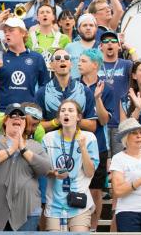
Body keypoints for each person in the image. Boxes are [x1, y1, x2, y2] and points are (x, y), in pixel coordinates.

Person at [0, 103, 51, 231]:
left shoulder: (35, 146)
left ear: (25, 123)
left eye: (21, 117)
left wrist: (23, 149)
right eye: (13, 115)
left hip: (26, 213)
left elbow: (45, 168)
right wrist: (10, 150)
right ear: (5, 121)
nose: (17, 118)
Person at [42, 99, 99, 232]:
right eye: (63, 111)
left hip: (79, 203)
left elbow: (90, 172)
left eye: (70, 110)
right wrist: (54, 173)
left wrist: (83, 148)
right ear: (59, 117)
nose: (66, 113)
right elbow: (42, 169)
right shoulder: (48, 138)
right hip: (54, 204)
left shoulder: (89, 138)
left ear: (79, 117)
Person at [78, 48, 115, 231]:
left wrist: (97, 98)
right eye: (79, 60)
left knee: (95, 190)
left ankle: (93, 228)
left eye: (83, 61)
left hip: (97, 145)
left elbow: (103, 120)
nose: (79, 63)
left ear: (95, 65)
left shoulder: (106, 88)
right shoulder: (73, 85)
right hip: (74, 143)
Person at [0, 17, 48, 112]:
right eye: (5, 31)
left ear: (23, 33)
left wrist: (37, 106)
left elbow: (45, 87)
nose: (7, 34)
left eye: (11, 30)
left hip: (29, 112)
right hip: (4, 112)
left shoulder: (36, 58)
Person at [37, 48, 98, 133]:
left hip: (78, 143)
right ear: (51, 65)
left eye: (66, 57)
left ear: (71, 64)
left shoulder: (85, 91)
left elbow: (92, 126)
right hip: (52, 143)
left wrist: (72, 118)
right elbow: (36, 127)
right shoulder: (42, 93)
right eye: (57, 58)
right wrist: (56, 122)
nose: (62, 60)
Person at [99, 30, 133, 155]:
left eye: (113, 41)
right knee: (103, 163)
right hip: (100, 122)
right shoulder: (94, 65)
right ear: (100, 46)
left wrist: (129, 49)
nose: (109, 43)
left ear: (118, 46)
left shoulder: (127, 64)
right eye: (106, 41)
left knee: (120, 161)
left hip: (121, 122)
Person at [66, 13, 98, 79]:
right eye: (84, 25)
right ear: (78, 29)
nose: (88, 28)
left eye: (91, 25)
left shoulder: (102, 47)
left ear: (96, 28)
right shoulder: (70, 47)